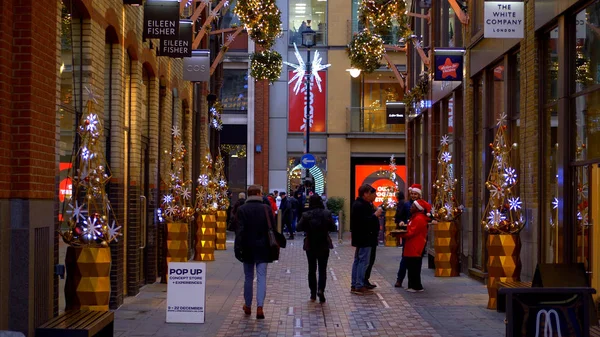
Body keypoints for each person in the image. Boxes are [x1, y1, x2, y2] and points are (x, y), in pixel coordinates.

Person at [234, 185, 279, 319]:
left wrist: (238, 248)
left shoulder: (242, 209)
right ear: (259, 194)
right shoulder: (266, 209)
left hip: (247, 247)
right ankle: (260, 307)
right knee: (261, 277)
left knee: (248, 277)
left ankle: (248, 305)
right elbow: (273, 228)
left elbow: (239, 231)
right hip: (263, 247)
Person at [297, 194, 336, 303]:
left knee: (311, 269)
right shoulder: (326, 213)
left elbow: (298, 227)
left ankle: (313, 293)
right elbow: (333, 228)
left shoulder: (306, 215)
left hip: (310, 243)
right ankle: (321, 289)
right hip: (324, 243)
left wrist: (307, 227)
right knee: (322, 269)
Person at [350, 184, 383, 295]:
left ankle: (356, 284)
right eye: (373, 193)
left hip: (363, 237)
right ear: (366, 194)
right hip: (365, 237)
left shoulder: (362, 204)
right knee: (362, 261)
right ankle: (358, 285)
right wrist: (375, 215)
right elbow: (364, 222)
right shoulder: (360, 205)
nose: (375, 196)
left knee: (358, 260)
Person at [397, 198, 431, 292]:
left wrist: (400, 234)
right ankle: (412, 285)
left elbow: (411, 232)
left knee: (414, 267)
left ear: (418, 208)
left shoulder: (419, 218)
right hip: (411, 244)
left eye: (413, 206)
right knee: (411, 266)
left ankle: (416, 286)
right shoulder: (415, 217)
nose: (410, 208)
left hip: (415, 245)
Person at [394, 189, 413, 288]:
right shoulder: (406, 205)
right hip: (408, 234)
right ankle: (399, 279)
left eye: (416, 194)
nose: (414, 195)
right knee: (405, 257)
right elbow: (398, 217)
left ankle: (413, 282)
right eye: (412, 194)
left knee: (416, 260)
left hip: (418, 236)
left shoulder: (423, 205)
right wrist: (401, 222)